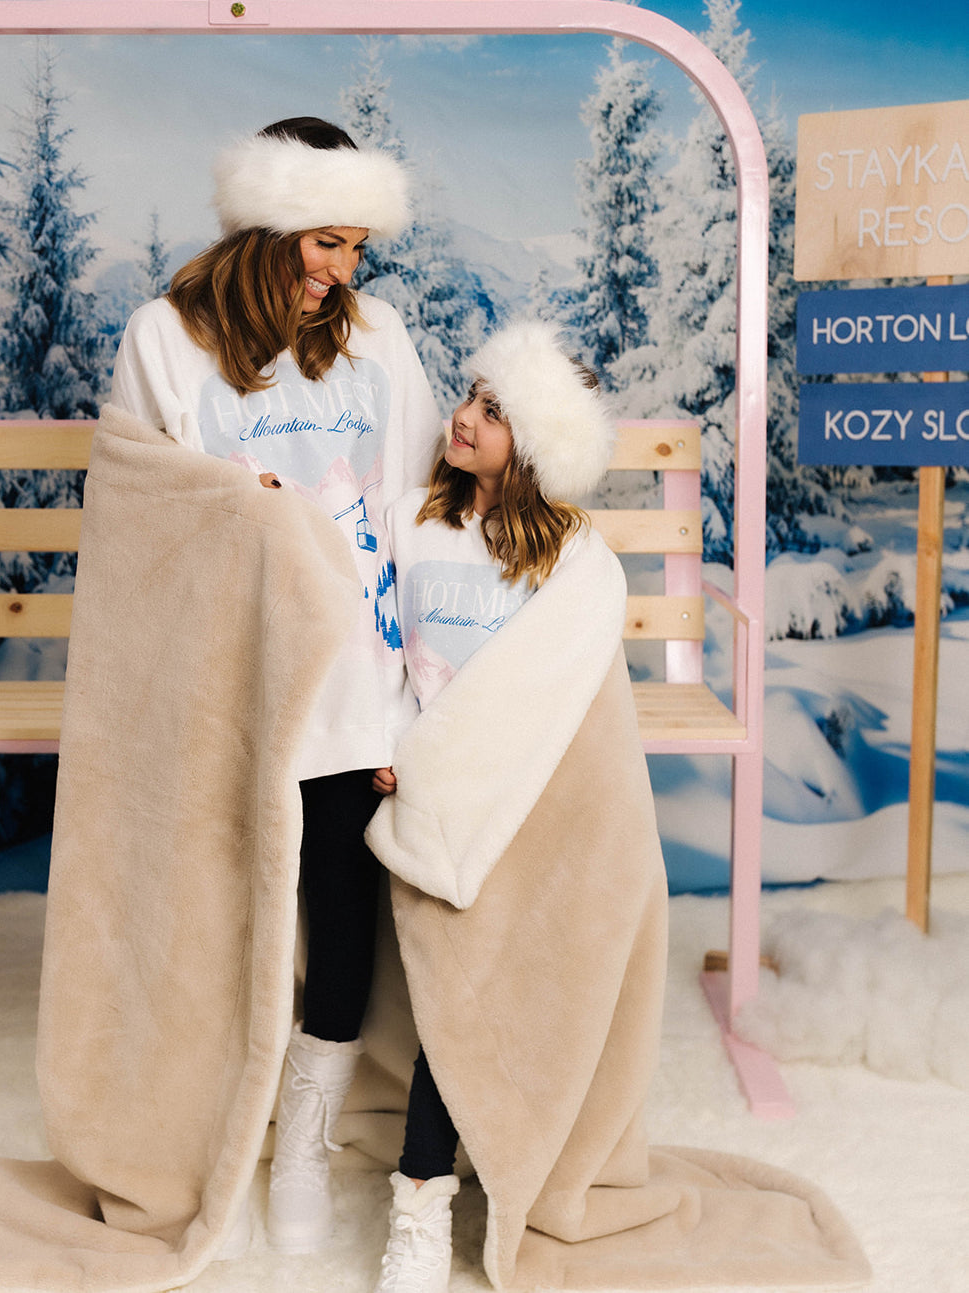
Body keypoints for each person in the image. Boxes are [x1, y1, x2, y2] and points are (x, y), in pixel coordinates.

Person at [108, 116, 444, 1259]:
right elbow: (140, 516)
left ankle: (300, 1136)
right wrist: (226, 505)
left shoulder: (378, 340)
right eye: (325, 244)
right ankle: (193, 1124)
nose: (342, 271)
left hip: (356, 684)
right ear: (268, 230)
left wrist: (419, 690)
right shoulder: (163, 341)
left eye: (356, 247)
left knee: (344, 926)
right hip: (230, 689)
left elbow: (416, 511)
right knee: (215, 922)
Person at [368, 319, 618, 1293]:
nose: (461, 417)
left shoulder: (567, 559)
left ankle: (466, 1168)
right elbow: (377, 649)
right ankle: (420, 1204)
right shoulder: (409, 522)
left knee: (484, 995)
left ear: (534, 450)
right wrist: (391, 736)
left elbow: (564, 695)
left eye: (491, 412)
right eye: (468, 396)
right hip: (423, 788)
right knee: (446, 995)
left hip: (515, 803)